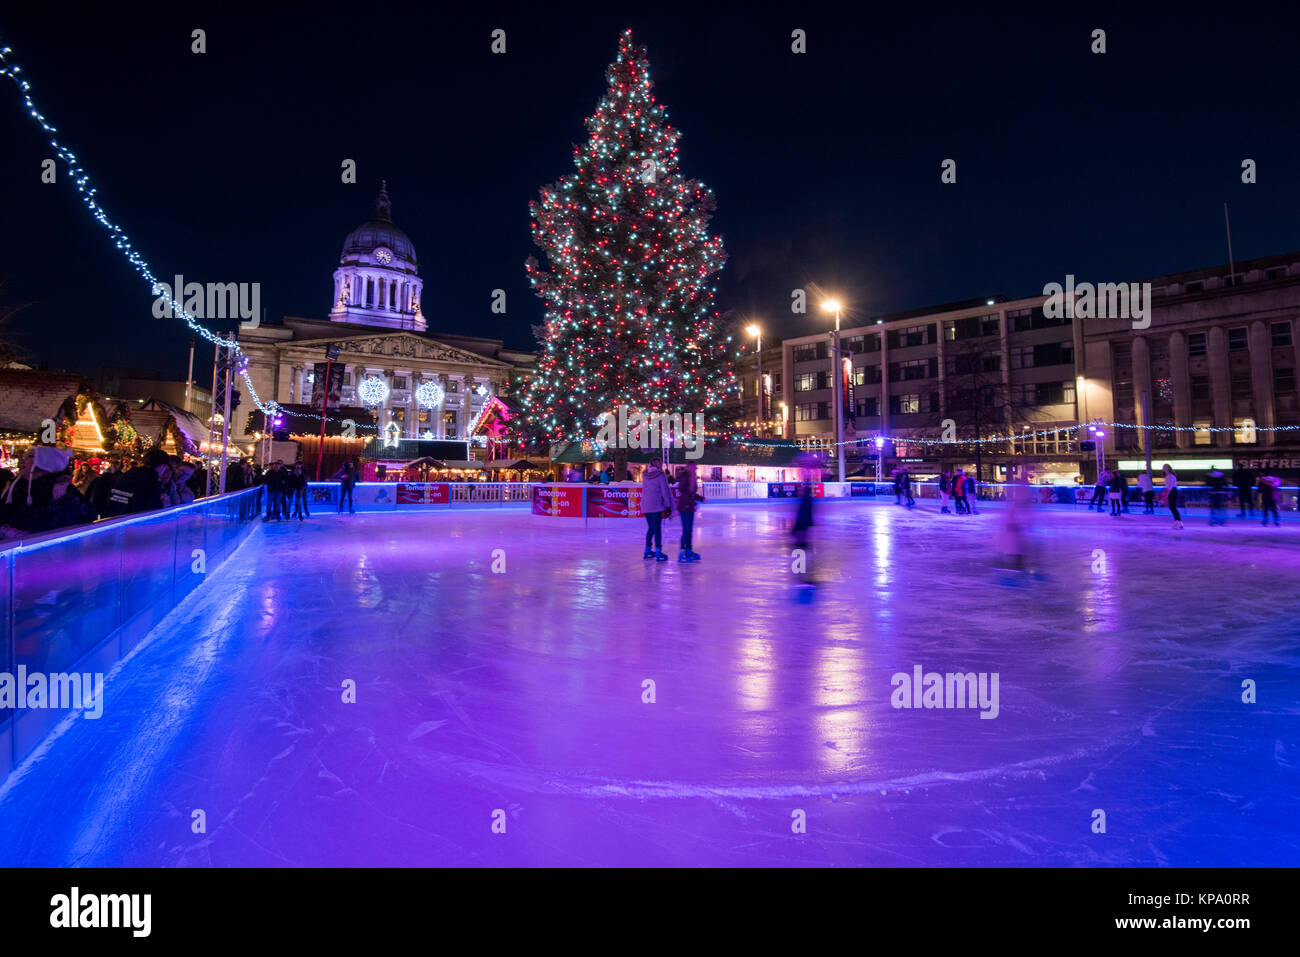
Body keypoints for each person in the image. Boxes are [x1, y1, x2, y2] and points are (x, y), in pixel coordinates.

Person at [104, 447, 172, 517]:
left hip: (113, 519)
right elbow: (146, 507)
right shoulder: (150, 481)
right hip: (132, 521)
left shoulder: (126, 476)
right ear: (162, 466)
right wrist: (162, 503)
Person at [640, 460, 673, 561]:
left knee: (651, 528)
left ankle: (647, 550)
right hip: (656, 505)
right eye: (660, 463)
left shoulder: (645, 475)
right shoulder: (660, 475)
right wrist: (668, 505)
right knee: (657, 529)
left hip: (646, 506)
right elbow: (665, 491)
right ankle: (658, 552)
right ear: (657, 464)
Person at [675, 462, 704, 562]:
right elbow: (684, 491)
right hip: (684, 506)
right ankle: (682, 552)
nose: (695, 468)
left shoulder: (693, 477)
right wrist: (693, 501)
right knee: (686, 530)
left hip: (690, 506)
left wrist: (700, 499)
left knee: (689, 530)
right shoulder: (684, 477)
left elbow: (692, 493)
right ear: (688, 467)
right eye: (693, 467)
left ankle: (689, 550)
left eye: (695, 467)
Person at [1162, 463, 1182, 529]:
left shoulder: (1170, 475)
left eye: (1164, 467)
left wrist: (1167, 494)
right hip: (1172, 491)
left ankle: (1178, 522)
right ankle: (1178, 522)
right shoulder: (1168, 475)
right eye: (1163, 467)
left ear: (1168, 468)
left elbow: (1170, 486)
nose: (1163, 468)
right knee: (1172, 507)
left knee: (1173, 507)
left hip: (1172, 491)